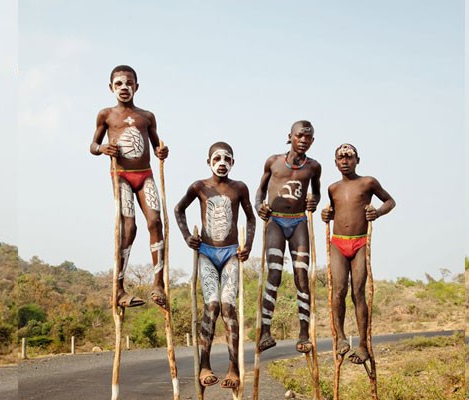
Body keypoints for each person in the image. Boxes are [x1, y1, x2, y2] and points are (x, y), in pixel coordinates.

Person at [174, 142, 256, 389]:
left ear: (233, 162)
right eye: (217, 158)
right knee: (211, 305)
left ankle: (233, 369)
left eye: (227, 159)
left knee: (229, 306)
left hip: (231, 253)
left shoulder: (239, 188)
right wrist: (188, 236)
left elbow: (251, 218)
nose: (222, 162)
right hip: (208, 254)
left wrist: (248, 246)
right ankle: (205, 365)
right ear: (208, 161)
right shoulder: (200, 187)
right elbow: (179, 209)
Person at [90, 65, 169, 309]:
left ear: (136, 86)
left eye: (128, 83)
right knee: (128, 227)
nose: (124, 88)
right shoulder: (106, 115)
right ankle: (120, 289)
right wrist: (103, 149)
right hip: (121, 175)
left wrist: (162, 151)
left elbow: (158, 146)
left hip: (145, 175)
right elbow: (93, 145)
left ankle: (159, 284)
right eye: (119, 84)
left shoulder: (147, 116)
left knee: (156, 223)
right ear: (111, 88)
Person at [321, 143, 396, 364]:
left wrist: (378, 213)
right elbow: (336, 213)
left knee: (358, 292)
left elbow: (390, 201)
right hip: (338, 243)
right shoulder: (333, 188)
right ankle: (342, 338)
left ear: (357, 160)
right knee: (338, 290)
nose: (345, 161)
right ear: (335, 163)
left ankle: (363, 345)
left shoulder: (368, 182)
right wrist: (327, 215)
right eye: (340, 158)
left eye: (349, 157)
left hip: (360, 242)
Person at [254, 120, 321, 354]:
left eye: (308, 138)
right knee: (274, 273)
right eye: (300, 136)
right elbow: (260, 191)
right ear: (290, 136)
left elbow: (317, 193)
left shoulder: (313, 167)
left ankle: (304, 333)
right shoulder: (273, 162)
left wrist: (314, 201)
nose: (303, 141)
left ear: (312, 141)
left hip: (299, 221)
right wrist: (259, 207)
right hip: (276, 220)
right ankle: (265, 332)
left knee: (301, 275)